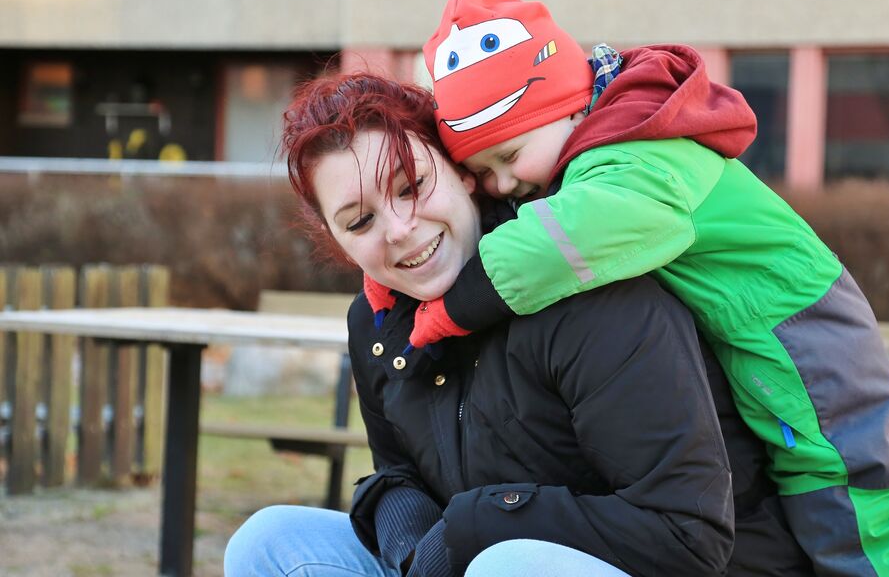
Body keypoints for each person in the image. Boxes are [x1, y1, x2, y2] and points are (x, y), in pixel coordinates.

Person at [383, 0, 889, 575]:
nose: (501, 185)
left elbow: (558, 241)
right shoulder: (613, 150)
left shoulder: (634, 159)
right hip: (775, 349)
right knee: (818, 515)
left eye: (508, 157)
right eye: (481, 171)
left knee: (859, 515)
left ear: (569, 107)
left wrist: (451, 306)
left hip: (808, 346)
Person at [224, 73, 814, 576]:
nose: (399, 230)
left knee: (508, 566)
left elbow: (689, 535)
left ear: (463, 173)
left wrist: (481, 526)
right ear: (337, 240)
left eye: (413, 186)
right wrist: (403, 525)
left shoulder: (586, 291)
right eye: (359, 221)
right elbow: (401, 470)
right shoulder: (377, 322)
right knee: (270, 542)